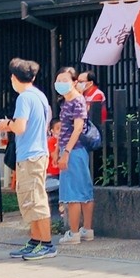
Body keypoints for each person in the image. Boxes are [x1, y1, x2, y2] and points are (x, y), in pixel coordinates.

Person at [0, 58, 55, 261]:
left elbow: (20, 127)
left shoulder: (24, 98)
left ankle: (46, 244)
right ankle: (35, 241)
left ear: (14, 77)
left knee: (35, 199)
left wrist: (6, 124)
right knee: (31, 198)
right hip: (37, 151)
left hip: (30, 154)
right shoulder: (39, 96)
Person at [55, 67, 96, 245]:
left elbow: (78, 128)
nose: (61, 83)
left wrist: (65, 152)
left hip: (74, 150)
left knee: (73, 193)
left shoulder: (76, 101)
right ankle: (86, 230)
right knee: (83, 190)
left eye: (65, 80)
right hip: (72, 150)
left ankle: (74, 233)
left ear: (73, 82)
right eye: (59, 80)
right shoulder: (67, 102)